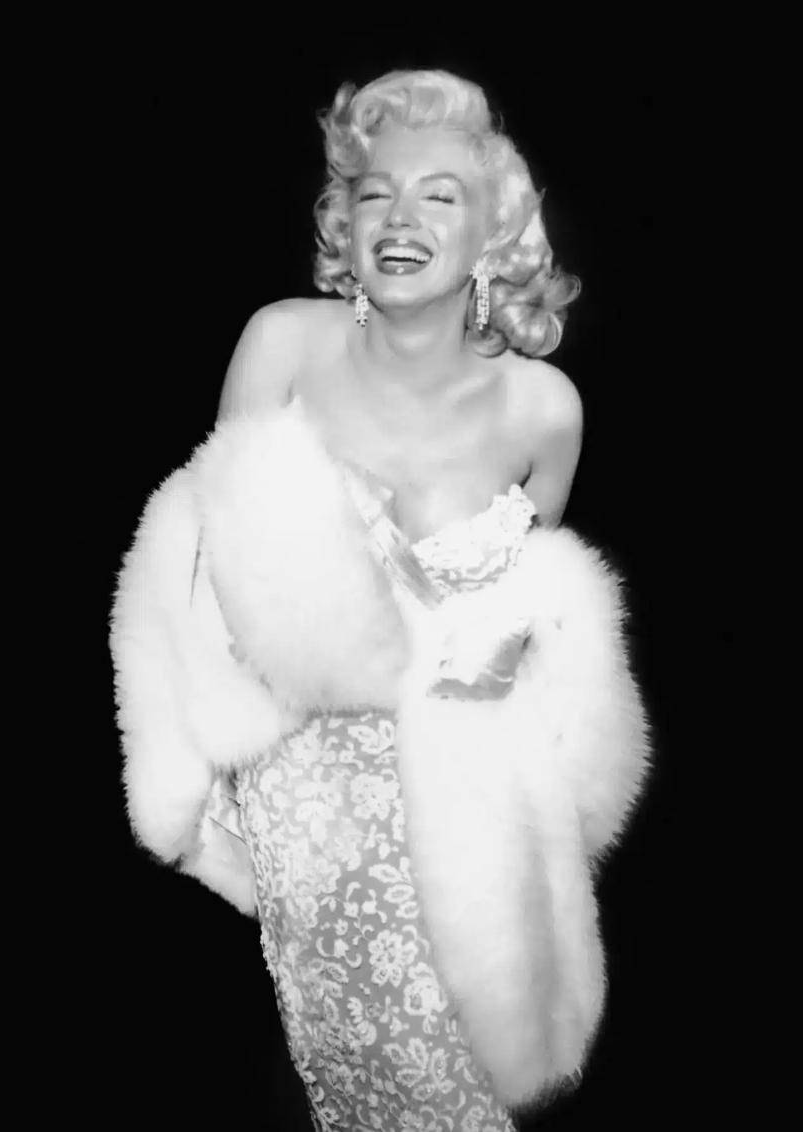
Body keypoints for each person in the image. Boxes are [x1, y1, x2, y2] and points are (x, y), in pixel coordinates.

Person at [110, 70, 650, 1132]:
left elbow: (526, 614)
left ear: (493, 234)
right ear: (344, 226)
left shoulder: (546, 409)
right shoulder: (281, 342)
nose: (399, 219)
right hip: (310, 801)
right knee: (377, 1081)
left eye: (439, 195)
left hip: (472, 801)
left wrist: (492, 657)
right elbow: (208, 571)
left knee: (472, 1081)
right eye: (373, 195)